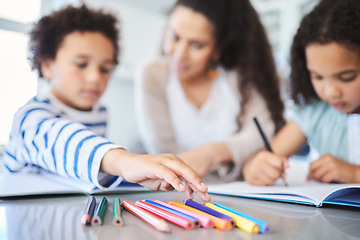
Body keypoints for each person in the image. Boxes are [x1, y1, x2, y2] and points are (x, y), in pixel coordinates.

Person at [3, 5, 210, 202]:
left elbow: (84, 166)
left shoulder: (99, 112)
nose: (95, 77)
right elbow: (59, 139)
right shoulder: (29, 117)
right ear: (47, 65)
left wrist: (132, 161)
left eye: (105, 68)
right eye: (81, 64)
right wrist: (121, 160)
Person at [135, 0, 285, 180]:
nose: (180, 54)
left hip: (241, 193)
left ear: (217, 49)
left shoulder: (238, 78)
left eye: (197, 45)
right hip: (180, 194)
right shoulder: (152, 76)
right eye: (175, 37)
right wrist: (236, 161)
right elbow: (164, 152)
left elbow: (261, 131)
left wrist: (211, 154)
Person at [242, 0, 360, 185]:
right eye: (318, 77)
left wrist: (355, 174)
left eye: (346, 77)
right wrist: (256, 167)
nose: (330, 93)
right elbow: (261, 160)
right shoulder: (315, 111)